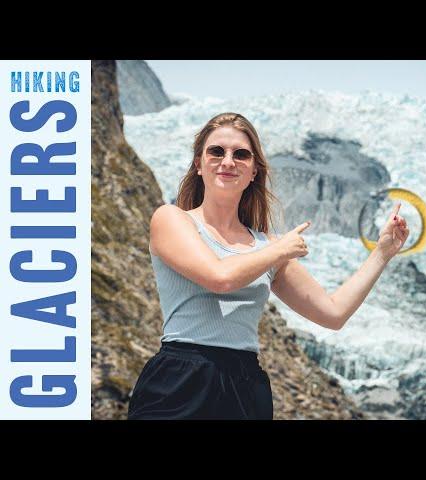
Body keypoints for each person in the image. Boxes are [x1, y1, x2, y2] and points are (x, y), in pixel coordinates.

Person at [127, 112, 409, 420]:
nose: (227, 161)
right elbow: (219, 277)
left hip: (245, 387)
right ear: (198, 164)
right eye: (216, 151)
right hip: (179, 381)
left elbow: (333, 313)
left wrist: (382, 253)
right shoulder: (171, 219)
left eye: (241, 155)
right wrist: (278, 251)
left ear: (253, 172)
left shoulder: (268, 247)